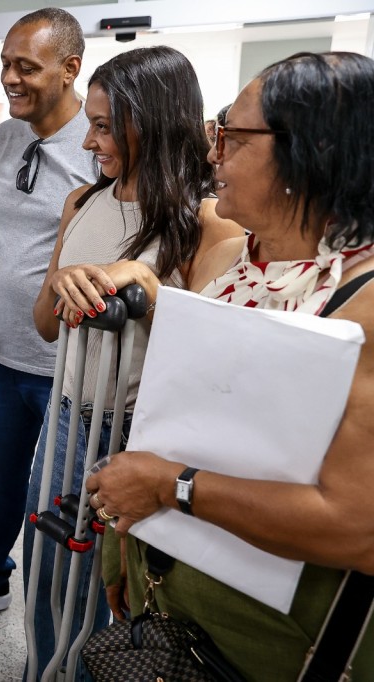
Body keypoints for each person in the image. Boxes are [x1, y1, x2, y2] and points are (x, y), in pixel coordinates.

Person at [84, 51, 374, 679]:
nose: (212, 154)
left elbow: (359, 530)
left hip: (279, 640)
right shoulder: (224, 263)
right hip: (173, 597)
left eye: (232, 137)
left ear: (312, 152)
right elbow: (179, 413)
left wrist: (169, 486)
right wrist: (124, 544)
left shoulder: (363, 302)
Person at [24, 46, 243, 679]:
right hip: (66, 417)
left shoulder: (208, 223)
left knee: (118, 591)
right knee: (47, 571)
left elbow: (209, 360)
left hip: (136, 435)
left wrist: (143, 289)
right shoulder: (80, 203)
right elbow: (45, 326)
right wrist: (62, 284)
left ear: (152, 123)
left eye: (102, 126)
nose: (88, 141)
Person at [0, 7, 97, 616]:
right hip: (1, 349)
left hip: (68, 364)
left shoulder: (98, 146)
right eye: (5, 64)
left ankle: (57, 618)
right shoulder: (3, 137)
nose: (10, 78)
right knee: (0, 480)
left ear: (69, 68)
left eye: (26, 67)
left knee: (56, 500)